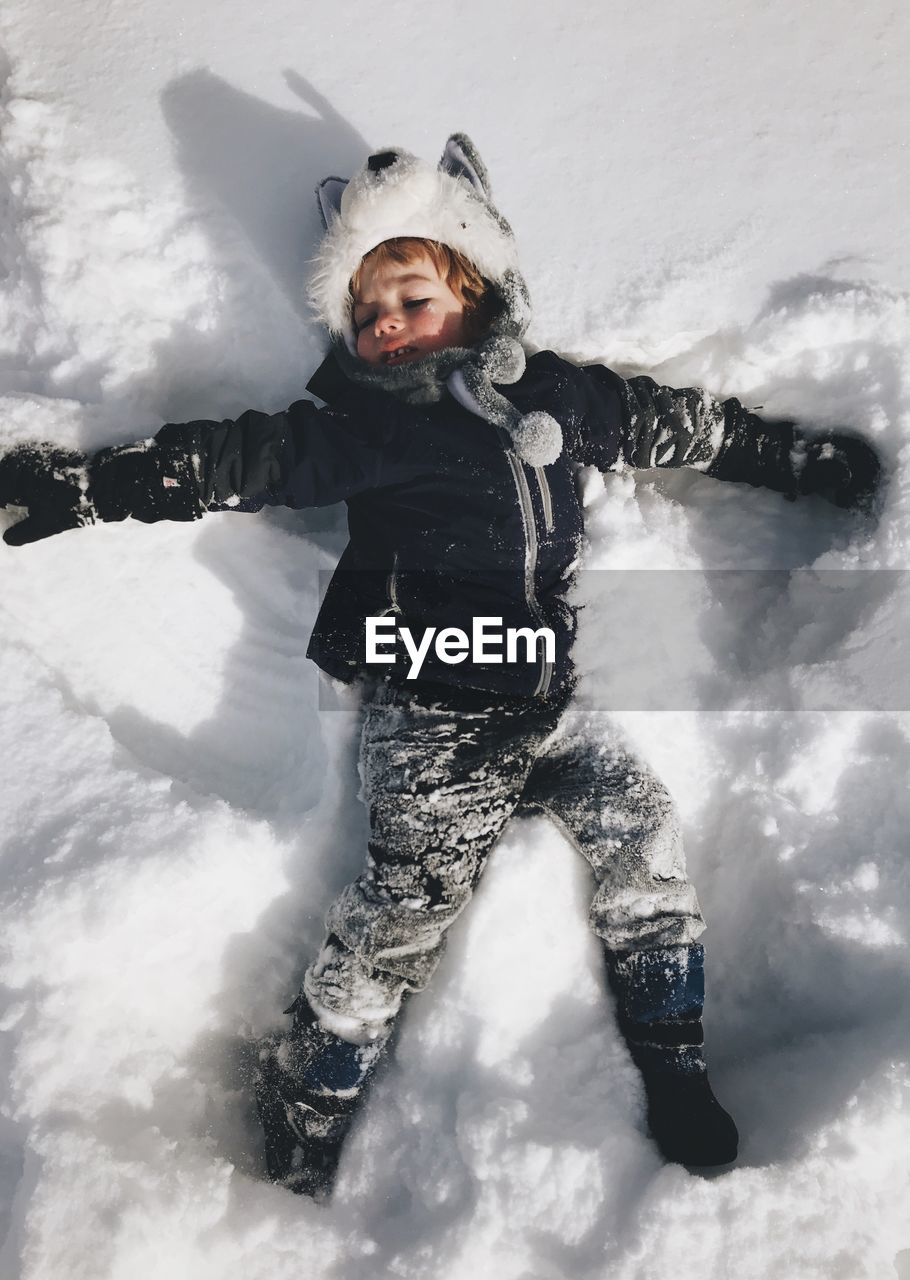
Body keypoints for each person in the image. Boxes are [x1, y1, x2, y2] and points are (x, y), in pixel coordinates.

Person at [0, 134, 881, 1198]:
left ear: (478, 284)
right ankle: (306, 1100)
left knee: (643, 839)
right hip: (429, 710)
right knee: (404, 907)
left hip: (549, 701)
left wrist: (784, 457)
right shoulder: (362, 425)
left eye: (409, 296)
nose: (384, 324)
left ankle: (676, 1063)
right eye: (367, 313)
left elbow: (671, 424)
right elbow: (233, 460)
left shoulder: (563, 395)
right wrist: (91, 485)